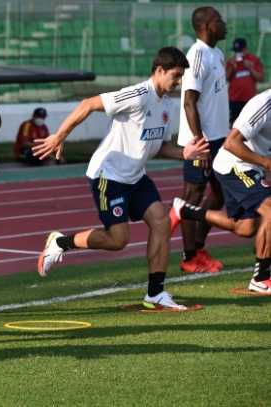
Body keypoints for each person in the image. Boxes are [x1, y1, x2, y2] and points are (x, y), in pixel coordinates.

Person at [33, 47, 209, 310]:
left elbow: (158, 146)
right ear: (159, 71)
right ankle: (61, 242)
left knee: (161, 221)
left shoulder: (167, 105)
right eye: (175, 75)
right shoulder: (138, 95)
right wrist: (59, 136)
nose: (179, 82)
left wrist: (186, 153)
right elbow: (88, 104)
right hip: (109, 176)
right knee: (118, 240)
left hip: (136, 177)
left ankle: (155, 293)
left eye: (182, 76)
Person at [171, 89, 271, 293]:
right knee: (270, 210)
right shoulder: (264, 105)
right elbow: (231, 143)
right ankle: (261, 278)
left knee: (246, 228)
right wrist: (267, 163)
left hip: (254, 168)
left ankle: (184, 211)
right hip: (235, 164)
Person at [171, 6, 229, 274]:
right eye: (219, 20)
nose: (224, 24)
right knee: (192, 196)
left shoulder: (216, 53)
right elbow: (189, 102)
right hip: (201, 142)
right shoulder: (196, 55)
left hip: (220, 139)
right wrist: (200, 143)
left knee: (219, 194)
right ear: (206, 25)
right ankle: (189, 256)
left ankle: (198, 245)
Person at [226, 38, 264, 124]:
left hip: (249, 100)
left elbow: (261, 78)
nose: (238, 53)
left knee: (249, 124)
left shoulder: (253, 60)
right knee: (234, 124)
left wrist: (250, 68)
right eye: (236, 51)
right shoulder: (231, 61)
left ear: (245, 49)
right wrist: (231, 68)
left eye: (240, 51)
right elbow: (226, 78)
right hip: (234, 100)